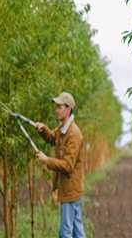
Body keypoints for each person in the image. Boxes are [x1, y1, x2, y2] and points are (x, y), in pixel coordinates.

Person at [34, 92, 86, 238]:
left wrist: (46, 160)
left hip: (70, 191)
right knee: (77, 232)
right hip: (68, 190)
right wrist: (43, 130)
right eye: (56, 107)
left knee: (65, 233)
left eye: (59, 107)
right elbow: (52, 138)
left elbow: (68, 165)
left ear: (68, 109)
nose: (56, 109)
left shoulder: (73, 134)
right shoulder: (62, 129)